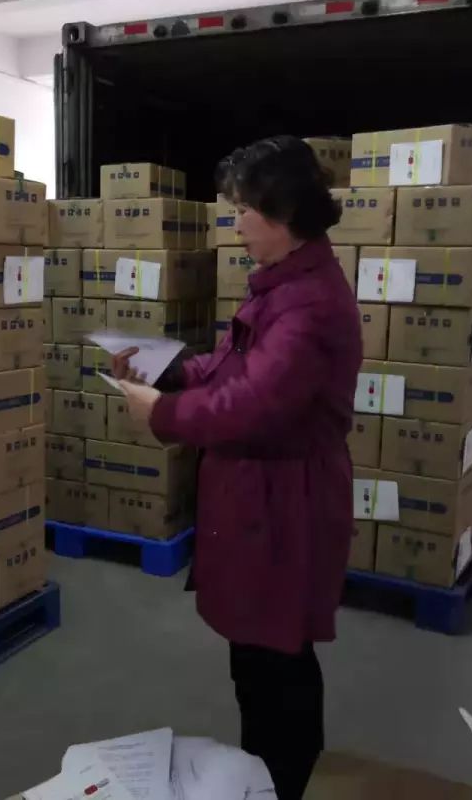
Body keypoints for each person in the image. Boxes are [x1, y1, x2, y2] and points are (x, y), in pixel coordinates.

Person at [112, 135, 362, 800]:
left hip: (284, 503)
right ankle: (265, 775)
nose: (236, 224)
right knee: (256, 657)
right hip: (255, 494)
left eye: (244, 209)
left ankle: (284, 782)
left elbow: (253, 404)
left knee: (276, 660)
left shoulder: (309, 305)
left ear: (284, 212)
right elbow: (230, 368)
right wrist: (166, 369)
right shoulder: (281, 287)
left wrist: (161, 413)